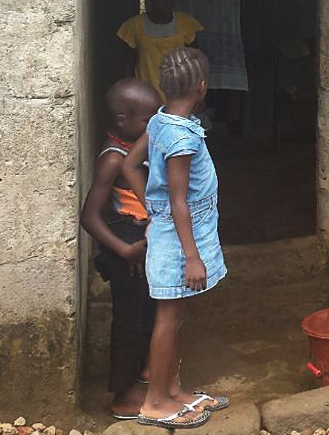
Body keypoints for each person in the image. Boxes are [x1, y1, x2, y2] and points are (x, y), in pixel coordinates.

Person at [122, 47, 229, 430]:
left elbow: (130, 164)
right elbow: (179, 201)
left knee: (176, 315)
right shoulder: (181, 139)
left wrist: (153, 211)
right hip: (183, 240)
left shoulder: (160, 120)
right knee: (167, 318)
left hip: (176, 231)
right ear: (202, 88)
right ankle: (154, 402)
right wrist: (192, 257)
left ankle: (174, 391)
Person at [78, 78, 160, 420]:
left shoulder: (137, 146)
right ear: (123, 121)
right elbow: (89, 217)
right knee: (128, 318)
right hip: (124, 244)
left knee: (147, 310)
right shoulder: (113, 158)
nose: (154, 123)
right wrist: (124, 251)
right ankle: (122, 396)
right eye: (148, 118)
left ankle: (144, 369)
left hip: (140, 241)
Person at [117, 0, 203, 101]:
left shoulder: (186, 24)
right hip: (144, 97)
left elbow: (196, 63)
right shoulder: (134, 26)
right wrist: (126, 95)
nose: (166, 2)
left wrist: (198, 94)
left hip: (177, 97)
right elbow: (128, 64)